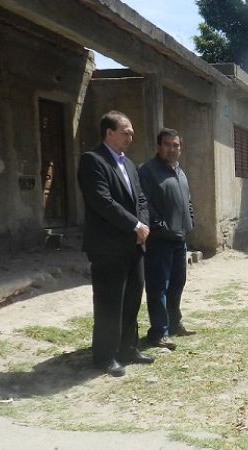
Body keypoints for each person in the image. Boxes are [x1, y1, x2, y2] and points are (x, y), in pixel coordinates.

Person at [77, 111, 153, 377]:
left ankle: (128, 348)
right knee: (110, 301)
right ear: (109, 133)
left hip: (134, 245)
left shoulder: (129, 165)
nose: (131, 136)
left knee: (133, 296)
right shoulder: (93, 161)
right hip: (108, 247)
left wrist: (142, 226)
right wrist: (134, 225)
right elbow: (102, 201)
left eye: (131, 132)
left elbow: (141, 199)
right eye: (126, 132)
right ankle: (105, 355)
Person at [138, 128, 196, 351]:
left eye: (176, 145)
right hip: (159, 239)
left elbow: (187, 201)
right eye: (167, 145)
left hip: (179, 239)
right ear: (158, 147)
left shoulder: (180, 172)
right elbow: (143, 202)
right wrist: (158, 225)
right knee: (158, 286)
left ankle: (174, 323)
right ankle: (158, 332)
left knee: (177, 283)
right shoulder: (148, 171)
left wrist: (190, 219)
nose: (172, 149)